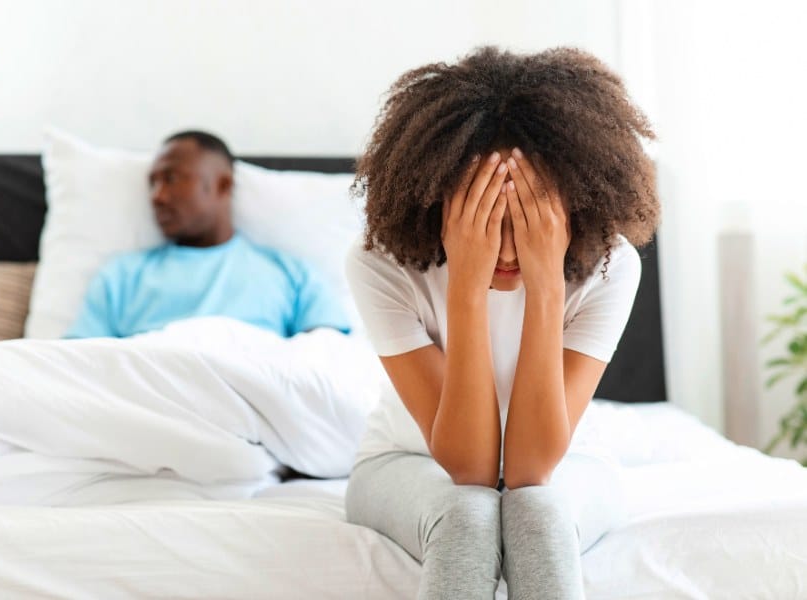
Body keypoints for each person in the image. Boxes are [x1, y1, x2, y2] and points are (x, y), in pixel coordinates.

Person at [344, 47, 660, 599]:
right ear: (438, 200)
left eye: (530, 219)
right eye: (488, 218)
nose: (508, 249)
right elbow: (470, 468)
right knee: (467, 514)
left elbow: (531, 469)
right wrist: (465, 284)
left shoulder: (611, 266)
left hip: (571, 461)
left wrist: (547, 286)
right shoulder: (378, 267)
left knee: (537, 510)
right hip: (404, 462)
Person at [65, 131, 350, 339]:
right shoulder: (121, 276)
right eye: (152, 183)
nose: (157, 197)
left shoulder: (291, 275)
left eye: (172, 178)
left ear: (223, 185)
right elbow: (74, 367)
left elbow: (328, 362)